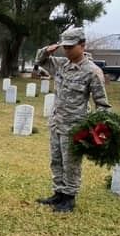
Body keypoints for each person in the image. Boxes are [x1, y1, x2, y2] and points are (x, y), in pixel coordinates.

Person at [35, 27, 111, 213]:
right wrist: (47, 50)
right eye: (64, 47)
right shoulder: (61, 64)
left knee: (71, 163)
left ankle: (69, 197)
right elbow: (40, 61)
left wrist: (94, 128)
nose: (67, 50)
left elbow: (102, 104)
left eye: (70, 47)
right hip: (57, 122)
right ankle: (58, 193)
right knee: (57, 160)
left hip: (76, 126)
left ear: (82, 45)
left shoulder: (92, 71)